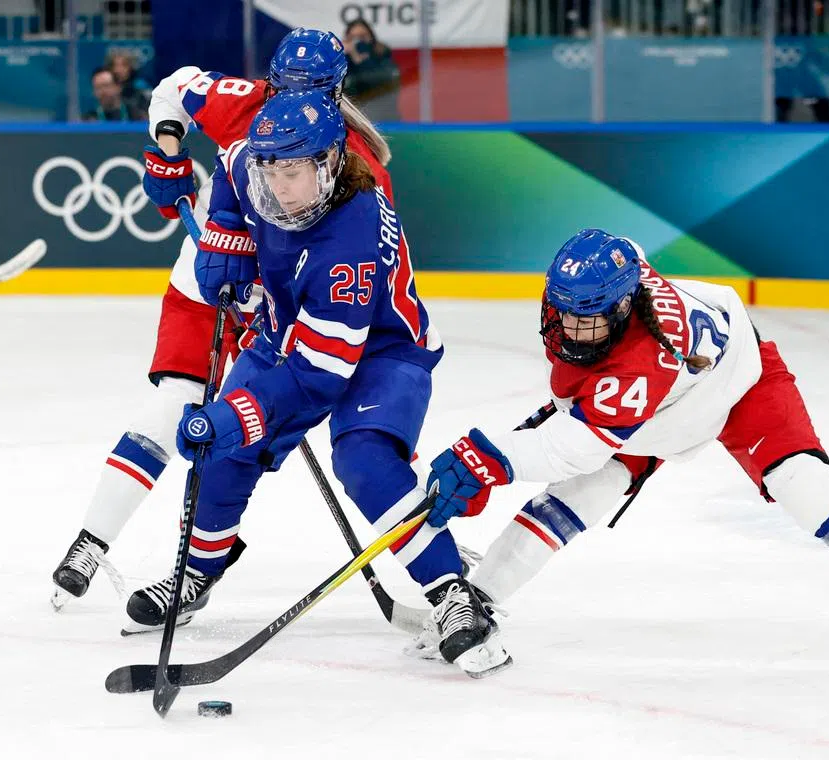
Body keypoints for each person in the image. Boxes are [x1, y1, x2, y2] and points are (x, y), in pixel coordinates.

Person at [415, 228, 829, 673]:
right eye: (562, 309)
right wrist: (508, 453)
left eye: (585, 318)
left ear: (621, 310)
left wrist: (486, 458)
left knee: (807, 488)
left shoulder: (642, 360)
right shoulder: (618, 280)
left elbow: (577, 448)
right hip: (662, 399)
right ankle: (475, 601)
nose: (568, 327)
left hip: (739, 385)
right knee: (578, 497)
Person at [121, 88, 509, 678]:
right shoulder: (254, 164)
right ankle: (198, 569)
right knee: (222, 455)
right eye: (270, 170)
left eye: (293, 173)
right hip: (288, 331)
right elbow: (229, 168)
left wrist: (236, 414)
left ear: (328, 164)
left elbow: (318, 376)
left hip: (380, 349)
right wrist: (223, 229)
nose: (278, 187)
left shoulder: (349, 238)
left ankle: (453, 594)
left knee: (364, 459)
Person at [50, 29, 393, 606]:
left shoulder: (358, 166)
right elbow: (172, 88)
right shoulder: (242, 101)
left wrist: (285, 315)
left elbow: (360, 270)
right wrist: (168, 152)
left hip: (281, 315)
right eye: (281, 90)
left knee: (263, 432)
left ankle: (203, 564)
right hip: (203, 284)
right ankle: (93, 541)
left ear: (333, 95)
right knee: (173, 409)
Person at [342, 18, 400, 122]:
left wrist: (360, 61)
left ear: (371, 37)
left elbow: (381, 81)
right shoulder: (343, 60)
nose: (358, 42)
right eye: (352, 38)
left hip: (383, 117)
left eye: (362, 37)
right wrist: (344, 56)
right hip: (355, 118)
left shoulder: (382, 54)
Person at [105, 49, 152, 114]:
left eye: (124, 65)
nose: (118, 70)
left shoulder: (141, 87)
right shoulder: (106, 89)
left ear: (131, 67)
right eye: (114, 65)